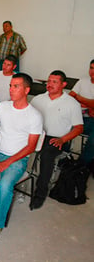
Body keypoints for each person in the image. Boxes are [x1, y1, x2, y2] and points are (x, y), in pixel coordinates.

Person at [0, 73, 42, 240]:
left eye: (16, 86)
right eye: (10, 85)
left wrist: (8, 162)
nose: (11, 89)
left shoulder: (34, 115)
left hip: (17, 159)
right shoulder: (3, 106)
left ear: (26, 90)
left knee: (4, 185)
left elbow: (31, 147)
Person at [30, 70, 84, 210]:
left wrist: (62, 139)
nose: (50, 84)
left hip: (58, 138)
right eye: (49, 81)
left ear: (63, 84)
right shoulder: (38, 99)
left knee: (47, 156)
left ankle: (40, 194)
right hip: (38, 134)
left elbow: (78, 128)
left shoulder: (72, 103)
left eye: (54, 82)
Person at [69, 59, 94, 171]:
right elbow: (70, 97)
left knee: (93, 139)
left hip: (91, 120)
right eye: (91, 68)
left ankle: (82, 165)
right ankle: (65, 155)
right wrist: (89, 104)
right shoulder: (82, 81)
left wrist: (78, 98)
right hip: (79, 115)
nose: (92, 71)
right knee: (62, 126)